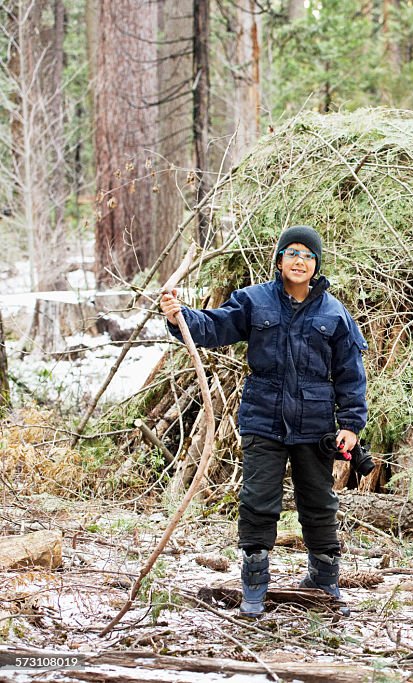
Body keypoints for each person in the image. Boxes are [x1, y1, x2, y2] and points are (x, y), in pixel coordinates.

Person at [160, 225, 368, 618]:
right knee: (258, 501)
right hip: (263, 420)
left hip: (316, 425)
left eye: (307, 255)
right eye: (292, 253)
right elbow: (212, 327)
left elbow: (350, 374)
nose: (299, 261)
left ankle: (324, 580)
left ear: (317, 264)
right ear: (279, 260)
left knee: (319, 503)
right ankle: (254, 584)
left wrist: (351, 424)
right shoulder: (253, 301)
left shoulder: (334, 313)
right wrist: (179, 317)